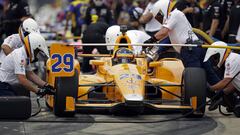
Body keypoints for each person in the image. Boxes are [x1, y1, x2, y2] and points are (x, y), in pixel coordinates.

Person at [143, 0, 221, 87]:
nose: (159, 19)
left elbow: (163, 32)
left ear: (162, 9)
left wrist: (149, 41)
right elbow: (166, 39)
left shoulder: (174, 14)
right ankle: (224, 96)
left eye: (159, 15)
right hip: (196, 47)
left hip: (189, 50)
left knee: (195, 81)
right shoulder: (177, 16)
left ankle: (201, 99)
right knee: (210, 76)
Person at [0, 32, 55, 97]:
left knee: (24, 101)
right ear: (33, 47)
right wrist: (38, 91)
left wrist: (46, 85)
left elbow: (30, 74)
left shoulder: (25, 55)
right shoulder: (19, 56)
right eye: (37, 51)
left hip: (10, 86)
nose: (37, 54)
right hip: (3, 86)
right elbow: (22, 80)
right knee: (18, 105)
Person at [203, 41, 240, 117]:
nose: (215, 61)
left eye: (215, 57)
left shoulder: (231, 60)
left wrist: (210, 89)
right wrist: (220, 95)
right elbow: (233, 85)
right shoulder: (232, 58)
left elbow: (226, 81)